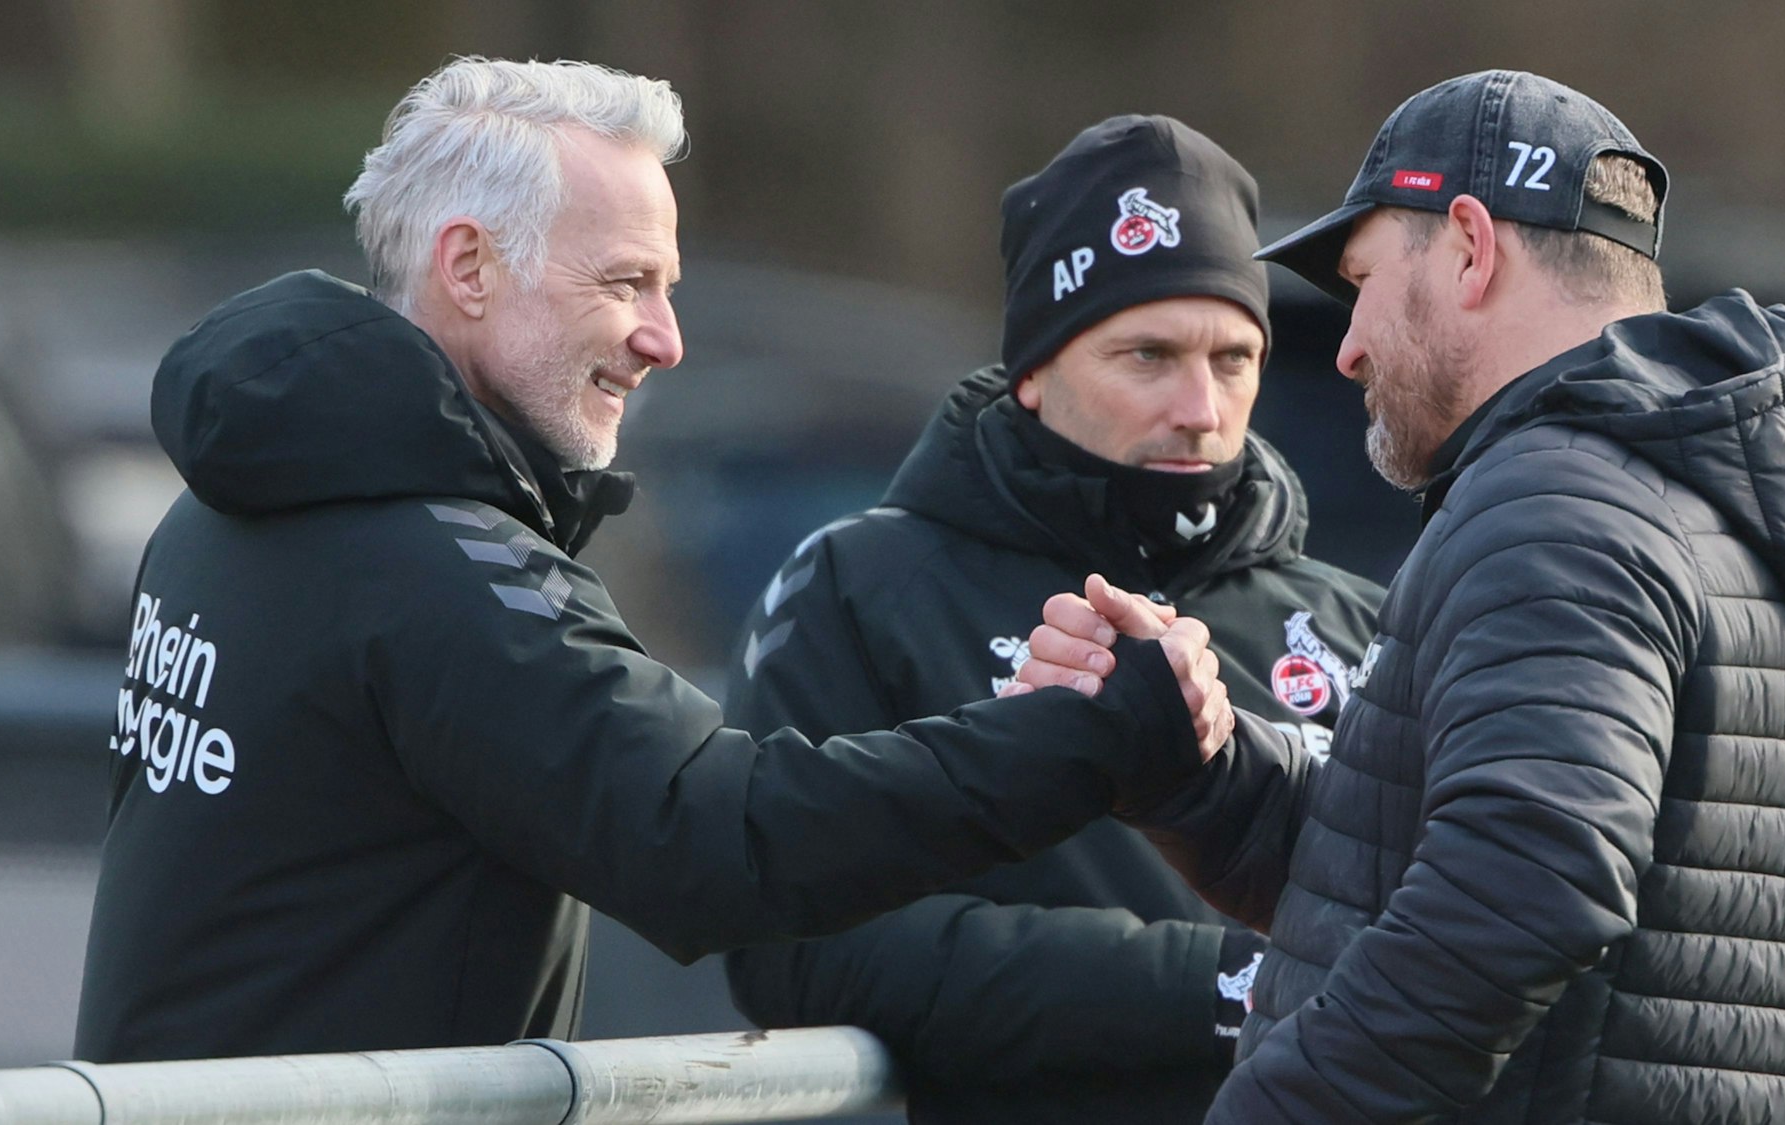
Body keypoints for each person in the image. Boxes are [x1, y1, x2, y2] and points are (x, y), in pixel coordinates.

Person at [71, 58, 1238, 1065]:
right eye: (626, 281)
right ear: (467, 267)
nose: (665, 338)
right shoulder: (433, 565)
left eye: (668, 289)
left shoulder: (233, 504)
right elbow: (717, 838)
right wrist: (1075, 735)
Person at [1021, 70, 1785, 1123]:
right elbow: (1461, 867)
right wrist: (1196, 770)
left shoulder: (1558, 501)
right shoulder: (1726, 500)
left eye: (1361, 280)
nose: (1349, 344)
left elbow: (1523, 894)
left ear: (1467, 244)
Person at [720, 115, 1384, 1124]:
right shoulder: (861, 588)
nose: (1200, 407)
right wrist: (1229, 988)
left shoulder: (1351, 619)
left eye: (1233, 358)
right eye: (1147, 355)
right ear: (1032, 369)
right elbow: (798, 948)